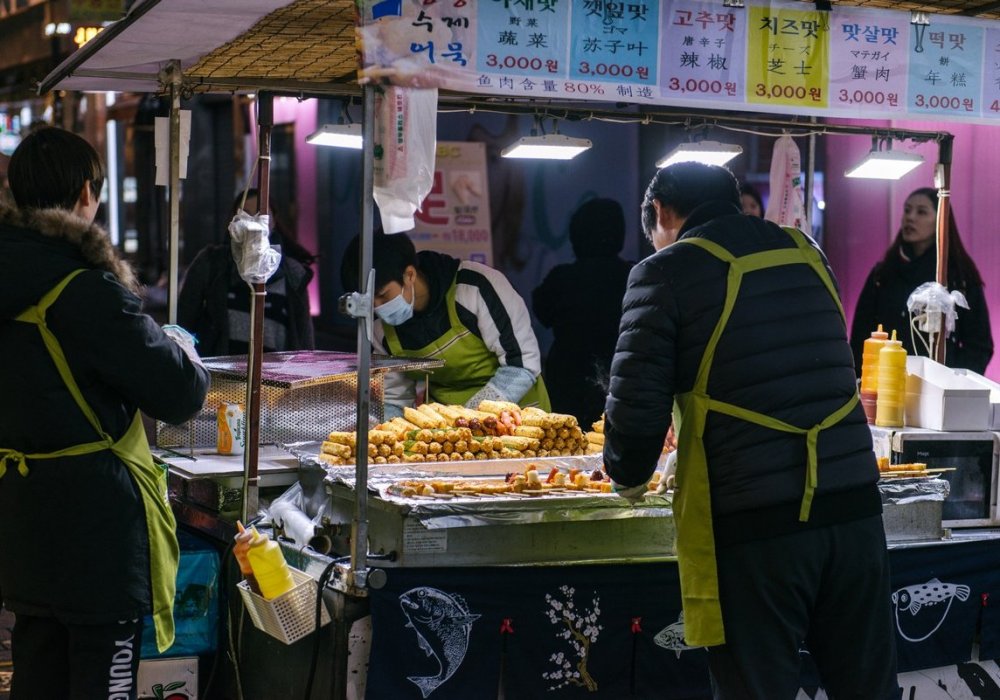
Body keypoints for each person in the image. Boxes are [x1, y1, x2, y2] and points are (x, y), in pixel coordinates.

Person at [603, 162, 898, 698]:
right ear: (732, 201)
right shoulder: (808, 251)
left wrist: (625, 477)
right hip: (854, 510)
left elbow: (636, 414)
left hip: (757, 531)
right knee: (867, 689)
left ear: (662, 213)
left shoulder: (663, 272)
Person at [0, 127, 210, 699]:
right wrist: (179, 347)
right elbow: (180, 393)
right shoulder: (86, 290)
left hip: (22, 521)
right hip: (97, 539)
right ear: (88, 194)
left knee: (36, 680)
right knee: (102, 685)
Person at [342, 231, 549, 416]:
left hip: (517, 417)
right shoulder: (381, 329)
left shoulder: (476, 287)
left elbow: (522, 365)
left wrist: (468, 418)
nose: (378, 307)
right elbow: (394, 399)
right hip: (445, 431)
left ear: (409, 275)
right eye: (371, 302)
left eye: (383, 295)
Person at [850, 187, 992, 374]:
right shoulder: (882, 274)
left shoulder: (959, 278)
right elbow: (860, 337)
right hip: (887, 386)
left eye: (921, 212)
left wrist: (953, 382)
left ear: (941, 220)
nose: (910, 217)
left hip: (941, 389)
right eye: (907, 210)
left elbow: (979, 346)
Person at [178, 189, 315, 356]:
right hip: (220, 374)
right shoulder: (211, 263)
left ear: (273, 221)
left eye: (261, 214)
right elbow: (184, 321)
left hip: (275, 376)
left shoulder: (293, 273)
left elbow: (304, 336)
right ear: (234, 221)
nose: (253, 223)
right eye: (246, 215)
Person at [532, 198, 632, 427]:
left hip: (568, 380)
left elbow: (542, 312)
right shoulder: (635, 275)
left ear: (576, 235)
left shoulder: (561, 278)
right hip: (622, 377)